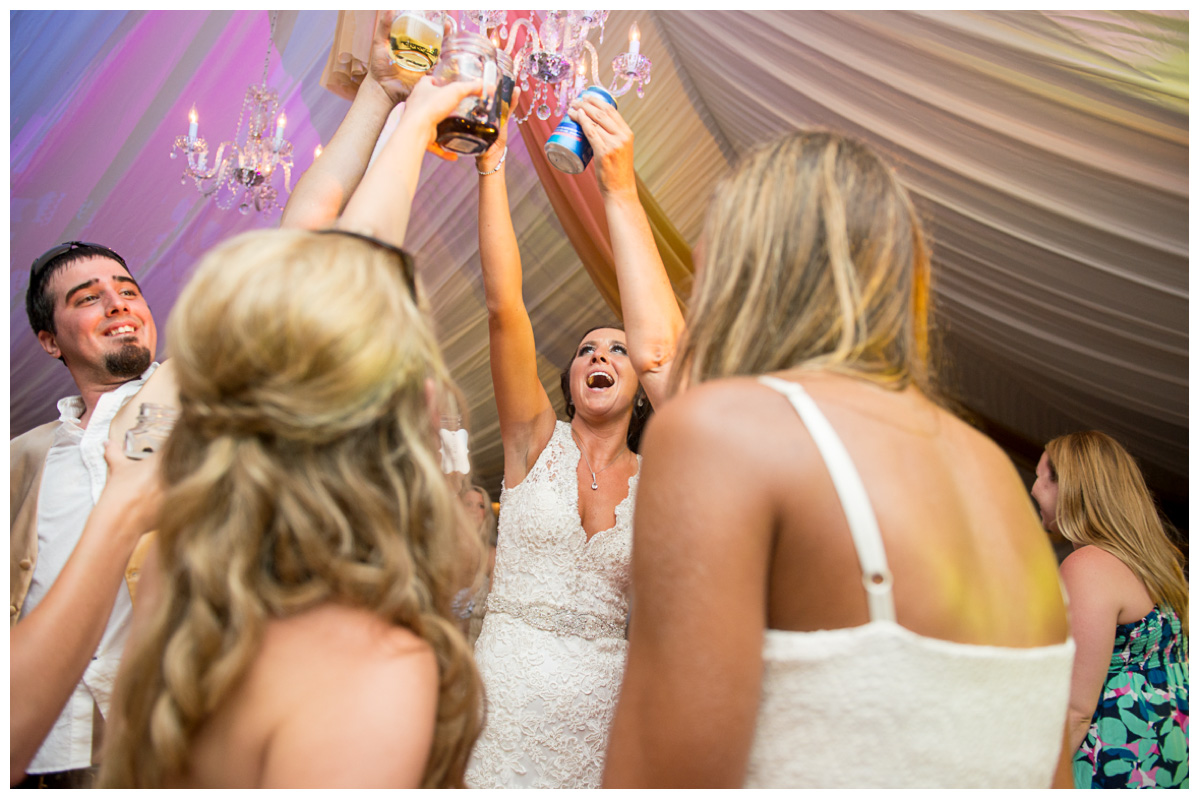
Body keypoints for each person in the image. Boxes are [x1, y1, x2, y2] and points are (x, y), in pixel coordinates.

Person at [602, 129, 1076, 788]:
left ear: (749, 258)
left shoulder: (722, 431)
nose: (696, 258)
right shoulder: (995, 470)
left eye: (709, 231)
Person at [96, 74, 487, 789]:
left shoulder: (176, 583)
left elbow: (322, 253)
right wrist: (410, 119)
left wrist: (391, 104)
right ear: (418, 414)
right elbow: (335, 261)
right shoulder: (375, 671)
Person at [464, 94, 684, 788]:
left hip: (601, 713)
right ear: (570, 375)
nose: (600, 357)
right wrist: (491, 169)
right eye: (588, 349)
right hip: (499, 697)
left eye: (618, 350)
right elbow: (506, 309)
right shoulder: (534, 441)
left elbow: (669, 355)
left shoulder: (666, 475)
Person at [11, 239, 177, 788]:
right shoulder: (21, 457)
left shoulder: (198, 400)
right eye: (88, 298)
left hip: (179, 735)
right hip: (51, 751)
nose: (118, 303)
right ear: (49, 341)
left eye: (129, 291)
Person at [1034, 431, 1189, 789]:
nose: (1034, 489)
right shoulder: (1158, 565)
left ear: (1073, 487)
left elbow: (1076, 710)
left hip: (1115, 755)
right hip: (1166, 751)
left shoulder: (1088, 564)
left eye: (1043, 478)